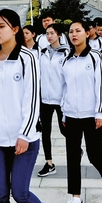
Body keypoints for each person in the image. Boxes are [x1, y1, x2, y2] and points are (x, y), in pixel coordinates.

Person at [0, 9, 49, 203]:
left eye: (2, 26)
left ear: (15, 29)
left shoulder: (27, 58)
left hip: (23, 139)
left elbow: (32, 98)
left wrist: (25, 134)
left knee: (20, 193)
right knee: (0, 195)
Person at [60, 20, 102, 203]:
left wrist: (100, 113)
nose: (74, 34)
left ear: (87, 33)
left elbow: (101, 86)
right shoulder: (66, 58)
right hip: (71, 115)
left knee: (94, 155)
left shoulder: (95, 57)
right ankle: (75, 197)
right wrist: (63, 112)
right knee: (72, 155)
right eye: (71, 31)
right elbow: (64, 87)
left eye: (78, 31)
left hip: (92, 115)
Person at [36, 23, 67, 177]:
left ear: (59, 35)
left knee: (64, 130)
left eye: (52, 33)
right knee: (45, 132)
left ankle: (76, 149)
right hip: (45, 99)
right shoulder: (42, 53)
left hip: (60, 99)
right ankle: (49, 163)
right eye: (47, 33)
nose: (49, 36)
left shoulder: (66, 53)